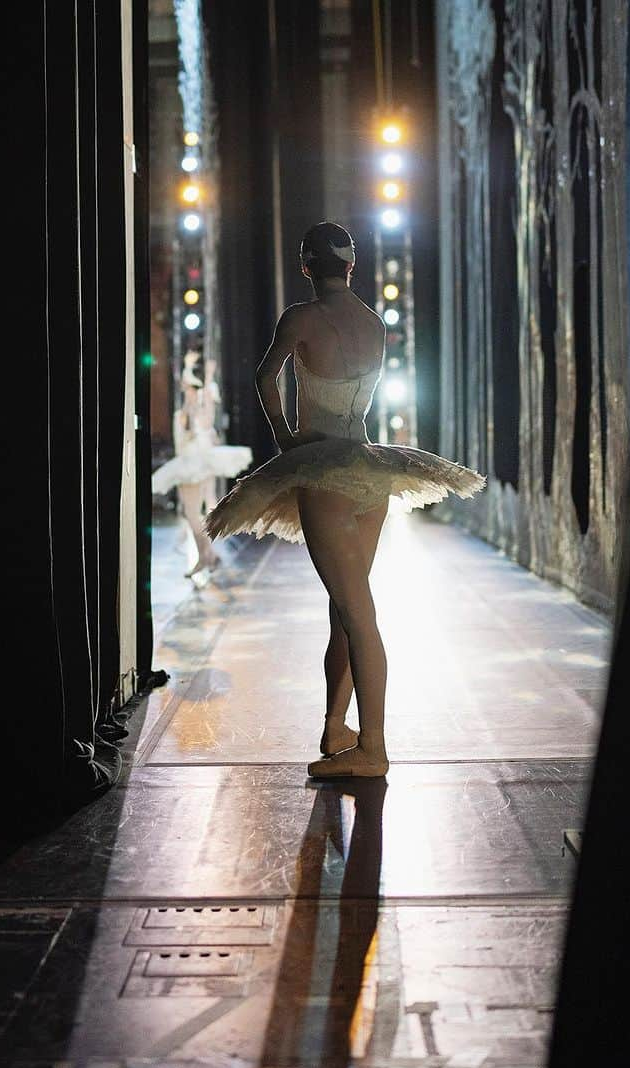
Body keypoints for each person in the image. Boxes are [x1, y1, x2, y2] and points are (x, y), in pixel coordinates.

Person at [205, 221, 485, 778]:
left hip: (325, 471)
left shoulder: (302, 318)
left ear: (307, 265)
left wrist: (287, 442)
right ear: (351, 266)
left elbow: (265, 379)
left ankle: (373, 748)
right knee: (345, 610)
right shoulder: (373, 323)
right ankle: (337, 727)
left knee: (357, 615)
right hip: (369, 472)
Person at [152, 348, 252, 577]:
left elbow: (197, 419)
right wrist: (200, 375)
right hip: (193, 463)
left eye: (188, 387)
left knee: (191, 513)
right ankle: (207, 556)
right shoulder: (191, 411)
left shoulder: (191, 412)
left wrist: (199, 376)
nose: (185, 389)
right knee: (193, 513)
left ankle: (205, 556)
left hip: (192, 466)